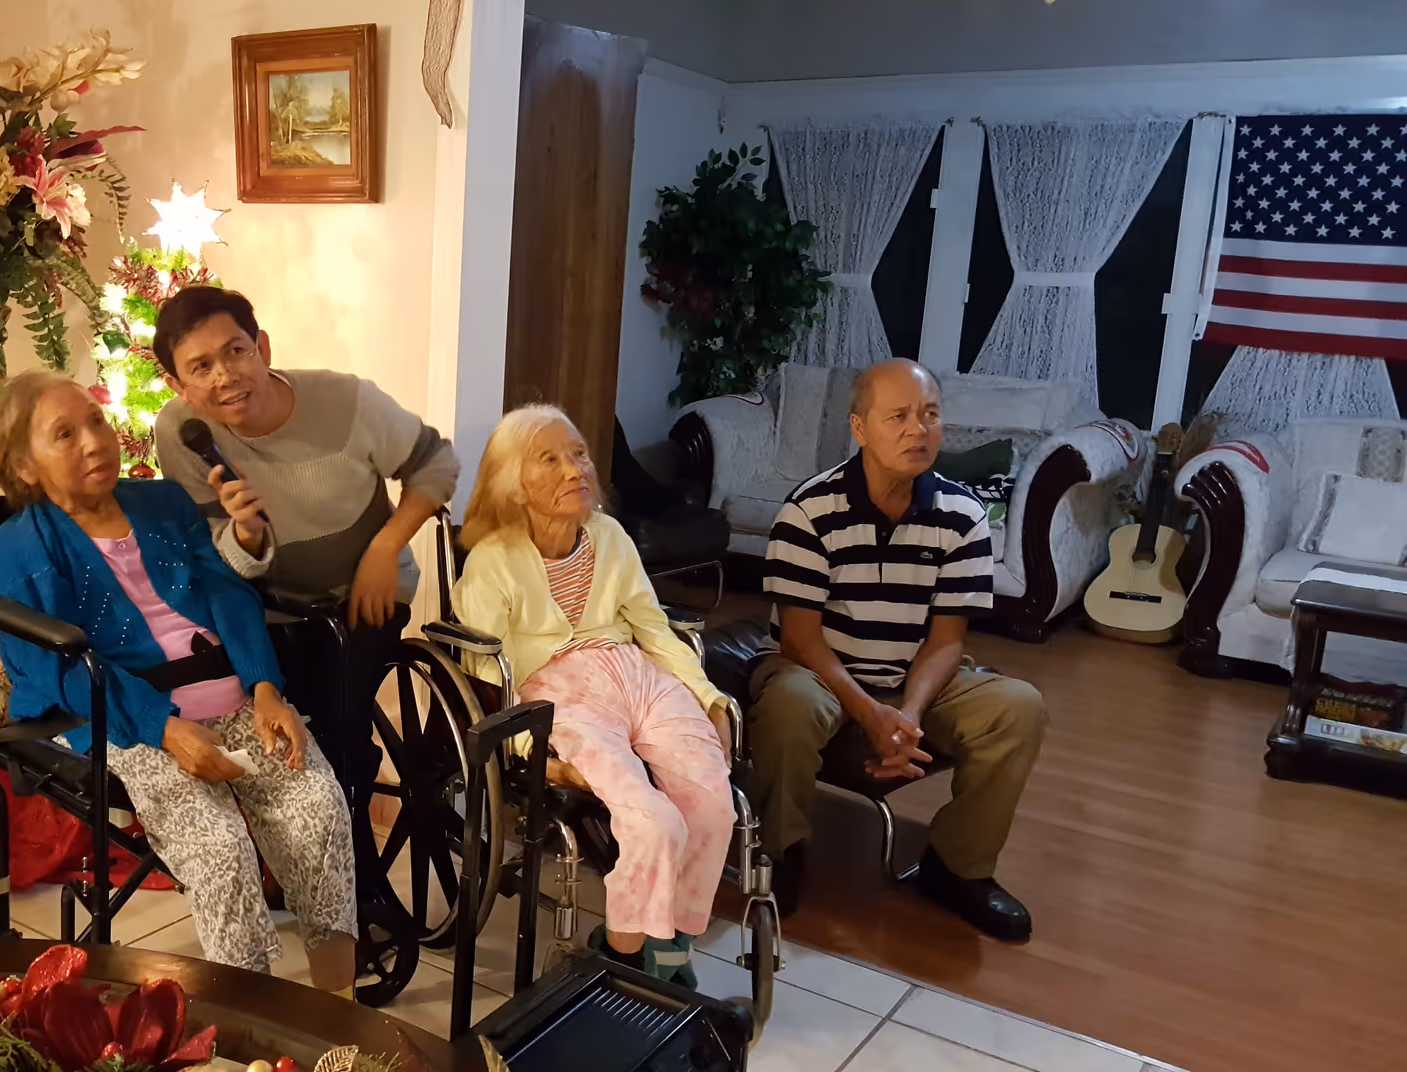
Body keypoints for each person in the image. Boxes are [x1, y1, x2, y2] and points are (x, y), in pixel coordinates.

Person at [0, 371, 359, 994]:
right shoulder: (17, 548)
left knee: (319, 809)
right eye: (65, 434)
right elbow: (57, 666)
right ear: (25, 466)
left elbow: (228, 591)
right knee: (219, 851)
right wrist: (165, 729)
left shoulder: (162, 503)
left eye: (96, 422)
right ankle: (251, 1029)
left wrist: (266, 688)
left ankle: (340, 1011)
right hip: (130, 719)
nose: (94, 442)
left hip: (235, 697)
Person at [748, 359, 1046, 941]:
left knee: (1019, 706)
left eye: (930, 415)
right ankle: (779, 851)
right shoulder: (809, 512)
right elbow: (801, 641)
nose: (918, 429)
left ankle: (958, 867)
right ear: (860, 429)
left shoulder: (962, 516)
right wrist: (870, 714)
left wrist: (906, 716)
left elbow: (947, 641)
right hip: (819, 671)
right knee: (788, 705)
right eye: (899, 417)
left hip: (910, 674)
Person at [453, 405, 735, 985]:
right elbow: (486, 681)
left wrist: (707, 697)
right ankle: (625, 949)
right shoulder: (492, 562)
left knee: (714, 803)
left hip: (639, 678)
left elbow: (654, 629)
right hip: (558, 697)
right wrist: (534, 756)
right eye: (549, 459)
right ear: (514, 482)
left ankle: (672, 944)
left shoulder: (609, 536)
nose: (574, 469)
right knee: (653, 822)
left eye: (578, 454)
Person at [150, 286, 460, 804]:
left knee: (335, 735)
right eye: (200, 367)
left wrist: (385, 549)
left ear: (263, 348)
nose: (224, 376)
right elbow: (209, 556)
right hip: (258, 607)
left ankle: (349, 867)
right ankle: (279, 859)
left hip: (359, 594)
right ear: (177, 384)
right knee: (235, 722)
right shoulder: (181, 432)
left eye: (235, 351)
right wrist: (246, 535)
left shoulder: (347, 401)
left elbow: (437, 464)